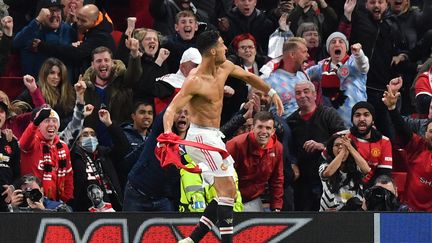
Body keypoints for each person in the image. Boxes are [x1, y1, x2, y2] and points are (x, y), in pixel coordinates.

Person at [162, 30, 283, 243]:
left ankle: (191, 240)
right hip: (200, 139)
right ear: (212, 51)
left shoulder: (225, 66)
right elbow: (171, 110)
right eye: (222, 45)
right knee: (227, 190)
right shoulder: (195, 80)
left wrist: (272, 93)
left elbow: (248, 76)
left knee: (228, 193)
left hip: (214, 137)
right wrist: (167, 133)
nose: (226, 48)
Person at [286, 80, 346, 211]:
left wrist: (323, 145)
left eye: (306, 91)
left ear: (314, 95)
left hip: (328, 180)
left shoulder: (329, 114)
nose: (302, 95)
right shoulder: (290, 122)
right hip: (302, 183)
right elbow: (288, 149)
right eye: (298, 93)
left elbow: (343, 138)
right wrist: (293, 162)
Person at [383, 84, 432, 211]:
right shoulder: (418, 146)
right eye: (431, 131)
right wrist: (392, 109)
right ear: (425, 133)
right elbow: (402, 129)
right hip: (410, 212)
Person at [306, 32, 369, 126]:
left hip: (356, 119)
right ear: (328, 49)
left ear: (346, 47)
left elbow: (364, 66)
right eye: (333, 42)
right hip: (331, 121)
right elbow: (304, 76)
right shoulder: (321, 67)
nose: (337, 44)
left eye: (341, 42)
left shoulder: (354, 62)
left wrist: (359, 54)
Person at [226, 111, 284, 212]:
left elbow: (277, 179)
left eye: (268, 128)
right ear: (252, 128)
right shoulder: (235, 144)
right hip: (230, 198)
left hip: (252, 199)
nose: (264, 131)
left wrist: (276, 207)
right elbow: (224, 175)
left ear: (273, 131)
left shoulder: (277, 148)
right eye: (260, 127)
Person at [19, 107, 74, 203]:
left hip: (56, 202)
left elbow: (68, 176)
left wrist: (66, 200)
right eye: (47, 121)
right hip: (31, 200)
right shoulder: (33, 141)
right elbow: (23, 143)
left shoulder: (63, 147)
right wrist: (35, 123)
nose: (51, 124)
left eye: (54, 121)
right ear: (39, 126)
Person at [12, 0, 76, 77]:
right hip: (35, 85)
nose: (55, 14)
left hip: (62, 85)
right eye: (51, 11)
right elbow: (16, 43)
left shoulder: (68, 30)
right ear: (41, 13)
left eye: (58, 10)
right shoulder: (31, 30)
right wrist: (37, 20)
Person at [16, 58, 75, 130]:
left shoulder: (69, 92)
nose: (56, 77)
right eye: (52, 73)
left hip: (63, 133)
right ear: (44, 74)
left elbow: (71, 117)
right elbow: (17, 109)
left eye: (59, 74)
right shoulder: (34, 90)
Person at [345, 101, 393, 188]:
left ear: (373, 120)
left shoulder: (384, 142)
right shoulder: (342, 137)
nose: (362, 119)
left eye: (366, 115)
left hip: (371, 190)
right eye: (357, 115)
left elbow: (383, 175)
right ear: (352, 119)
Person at [319, 132, 370, 211]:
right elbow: (328, 173)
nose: (340, 147)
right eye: (336, 145)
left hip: (354, 212)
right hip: (330, 213)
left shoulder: (356, 166)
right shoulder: (324, 166)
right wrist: (342, 151)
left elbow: (367, 170)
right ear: (331, 149)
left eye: (343, 145)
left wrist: (350, 147)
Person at [263, 37, 310, 119]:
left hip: (307, 119)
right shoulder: (270, 80)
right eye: (304, 52)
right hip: (286, 123)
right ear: (292, 55)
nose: (308, 55)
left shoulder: (302, 75)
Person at [0, 101, 20, 212]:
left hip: (6, 202)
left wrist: (12, 187)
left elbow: (18, 174)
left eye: (1, 112)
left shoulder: (11, 141)